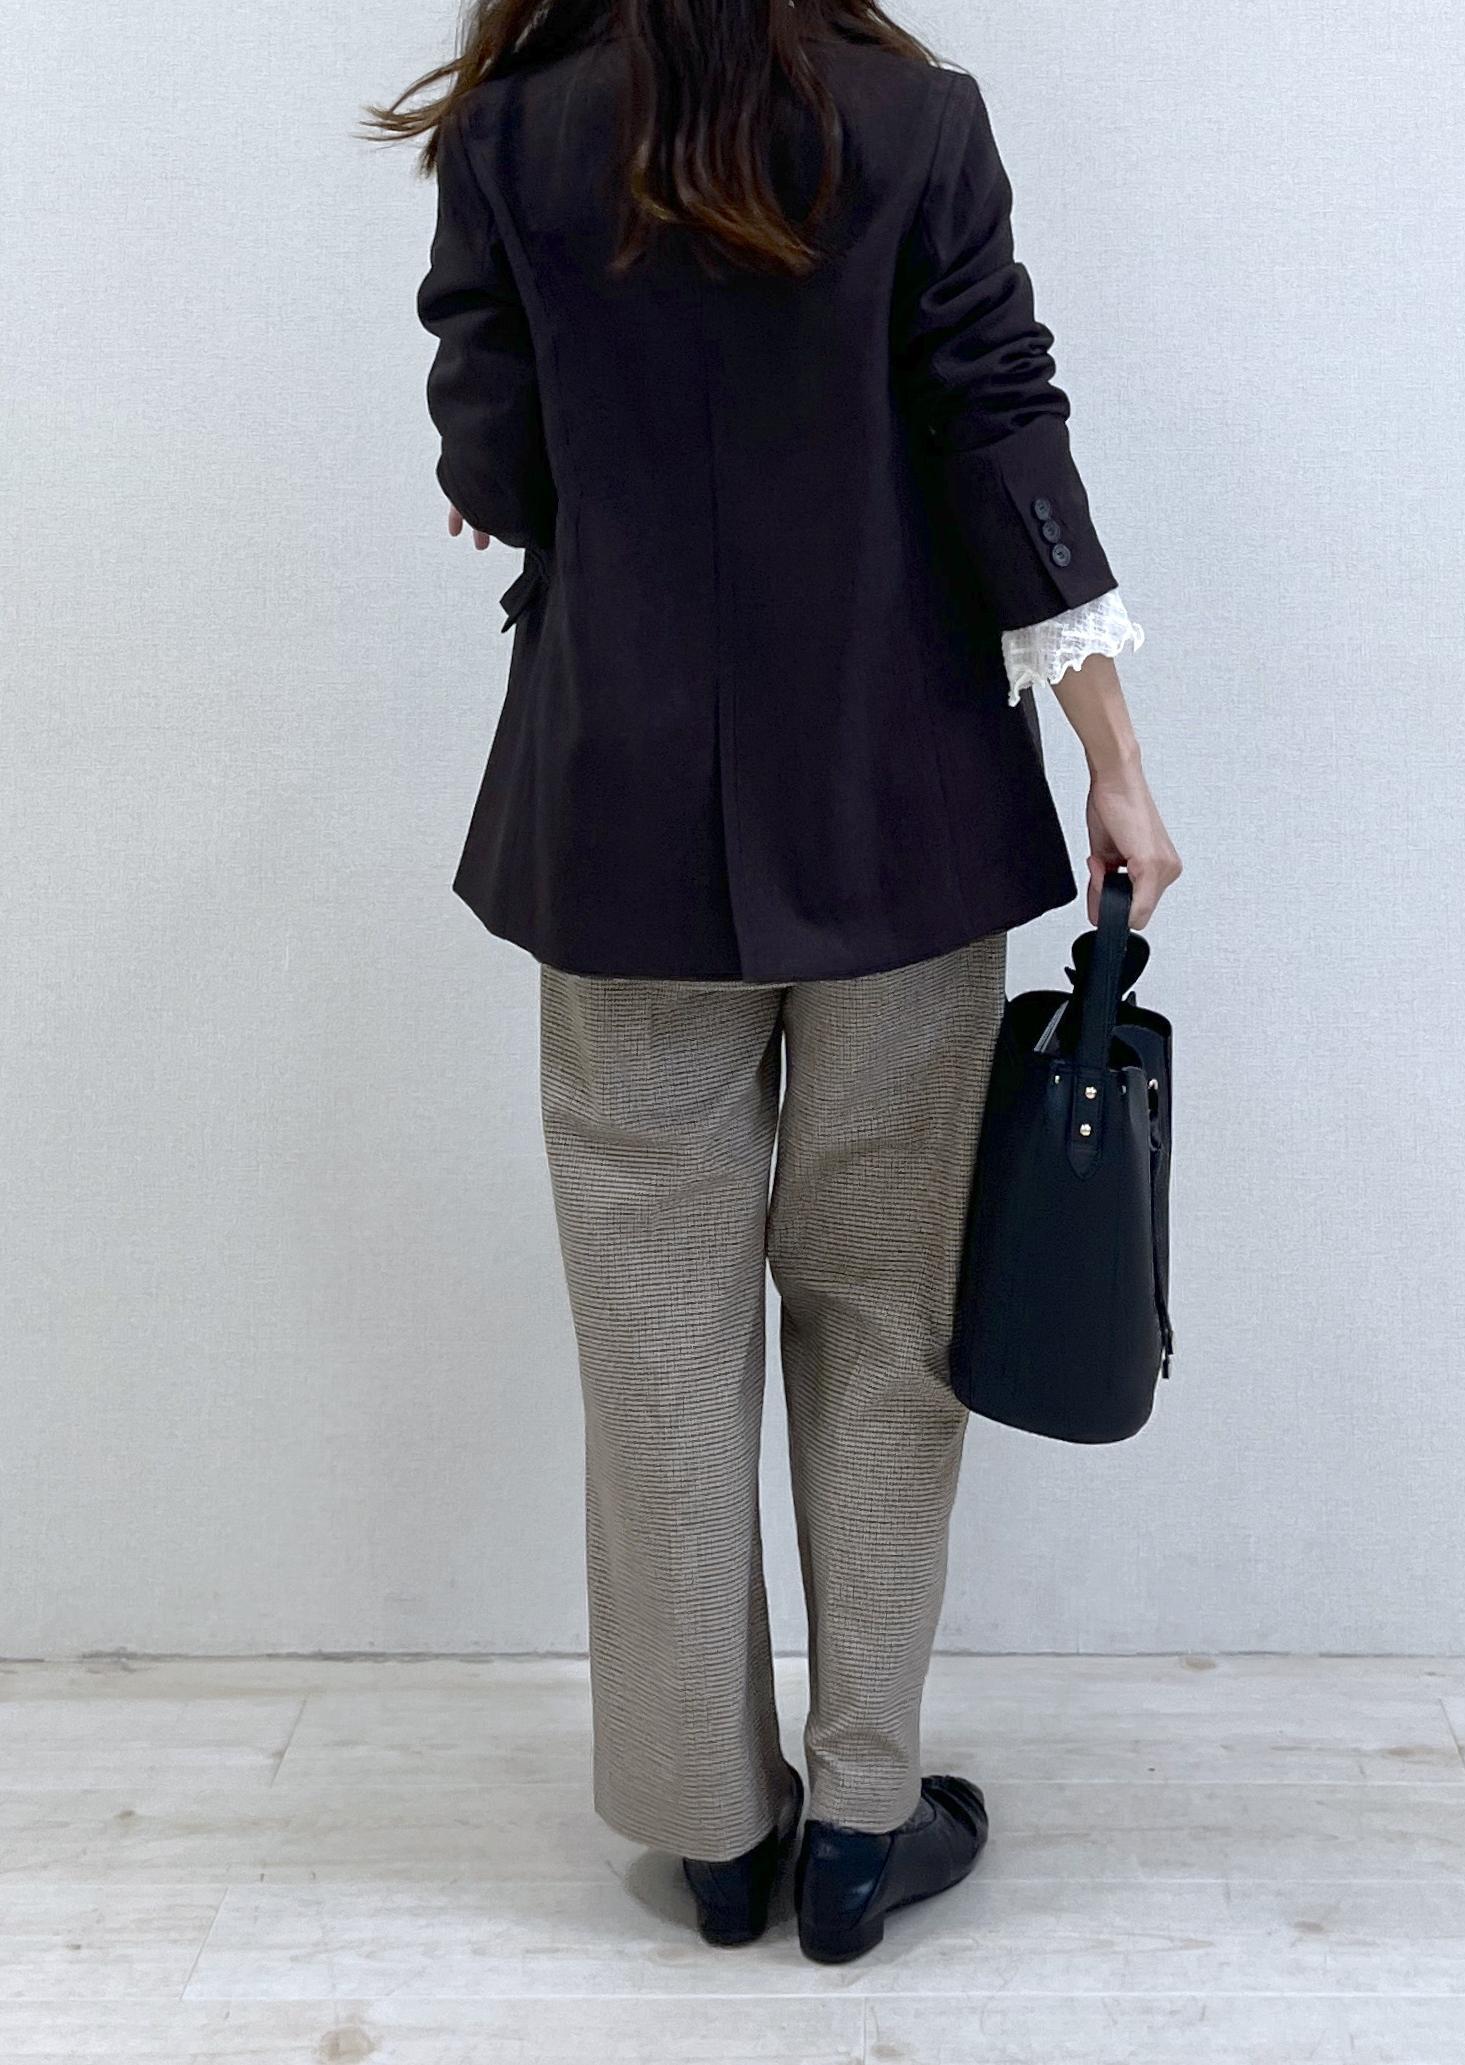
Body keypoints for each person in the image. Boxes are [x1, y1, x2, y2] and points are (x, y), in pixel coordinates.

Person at [369, 0, 1181, 1964]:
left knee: (656, 1344)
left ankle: (708, 1829)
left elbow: (497, 444)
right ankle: (862, 1829)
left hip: (616, 821)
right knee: (887, 1320)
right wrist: (1115, 758)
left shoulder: (519, 130)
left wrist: (534, 452)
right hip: (903, 817)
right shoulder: (916, 120)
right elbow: (999, 419)